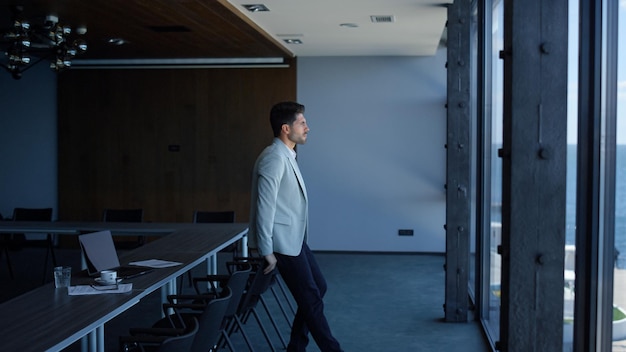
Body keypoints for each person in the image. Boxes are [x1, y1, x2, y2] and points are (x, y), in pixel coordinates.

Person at [248, 101, 343, 352]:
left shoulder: (286, 155)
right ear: (285, 129)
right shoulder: (273, 158)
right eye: (302, 123)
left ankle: (296, 346)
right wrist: (266, 250)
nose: (307, 128)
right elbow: (264, 207)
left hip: (294, 239)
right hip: (281, 242)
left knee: (318, 288)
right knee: (311, 297)